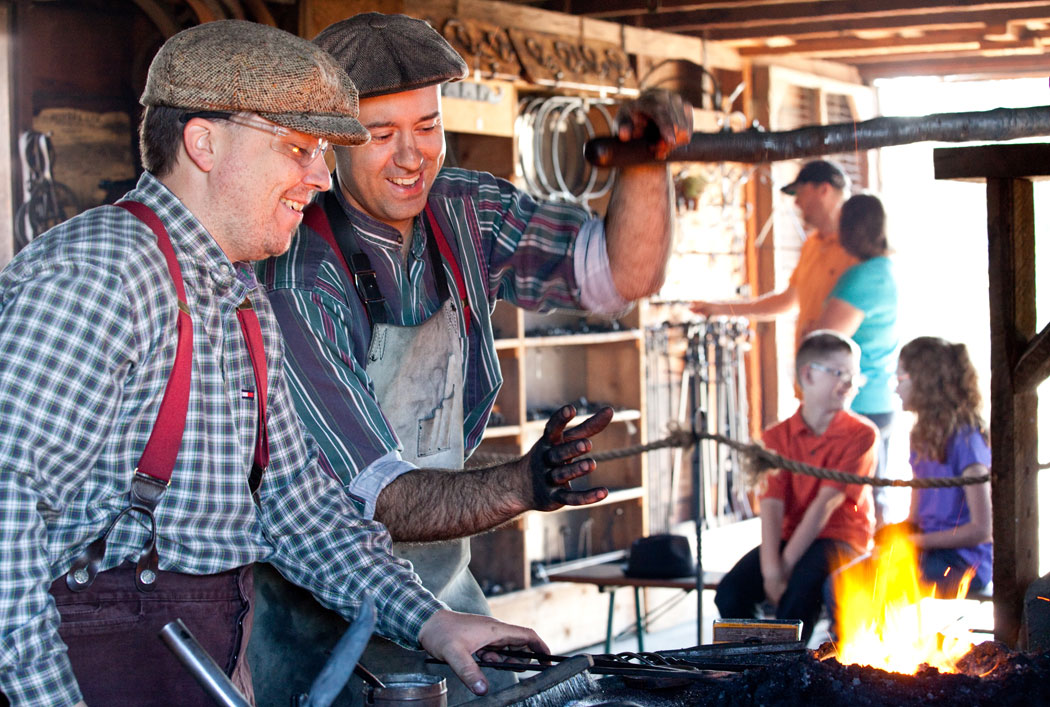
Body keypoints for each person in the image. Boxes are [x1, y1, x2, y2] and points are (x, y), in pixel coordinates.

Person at [0, 21, 548, 707]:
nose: (320, 180)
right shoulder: (101, 276)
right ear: (204, 143)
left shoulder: (241, 300)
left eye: (320, 153)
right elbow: (5, 519)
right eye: (297, 149)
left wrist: (434, 621)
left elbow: (300, 510)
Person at [252, 12, 692, 703]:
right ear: (327, 143)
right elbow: (376, 498)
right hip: (315, 629)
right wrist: (522, 483)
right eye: (379, 133)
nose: (412, 156)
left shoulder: (463, 210)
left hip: (446, 593)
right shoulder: (297, 271)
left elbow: (619, 276)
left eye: (427, 127)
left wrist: (644, 167)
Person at [714, 330, 877, 644]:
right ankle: (751, 667)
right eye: (840, 374)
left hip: (840, 538)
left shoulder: (862, 434)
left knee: (798, 594)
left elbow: (825, 506)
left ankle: (790, 673)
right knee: (731, 593)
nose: (850, 384)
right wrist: (771, 570)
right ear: (808, 374)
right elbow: (772, 507)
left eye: (854, 376)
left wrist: (782, 570)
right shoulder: (776, 437)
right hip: (792, 536)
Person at [691, 160, 857, 350]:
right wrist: (722, 308)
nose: (796, 202)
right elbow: (788, 301)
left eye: (801, 192)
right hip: (809, 371)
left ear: (824, 190)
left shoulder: (856, 249)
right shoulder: (812, 245)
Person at [810, 193, 898, 527]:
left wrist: (810, 327)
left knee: (854, 501)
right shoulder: (886, 270)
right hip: (880, 396)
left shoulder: (862, 279)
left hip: (858, 400)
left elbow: (824, 342)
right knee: (874, 492)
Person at [882, 336, 992, 594]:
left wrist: (915, 542)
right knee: (842, 580)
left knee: (880, 584)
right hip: (928, 551)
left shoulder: (967, 440)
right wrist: (894, 535)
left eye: (900, 380)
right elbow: (917, 517)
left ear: (924, 382)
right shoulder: (922, 437)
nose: (896, 389)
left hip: (963, 562)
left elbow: (981, 529)